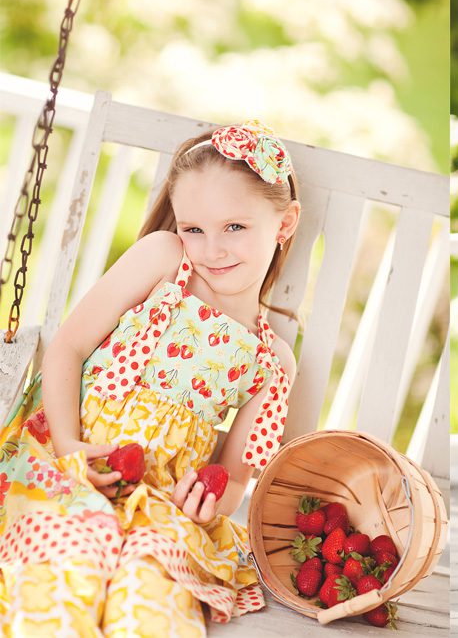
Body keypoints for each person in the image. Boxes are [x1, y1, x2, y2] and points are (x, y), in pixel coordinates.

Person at [0, 119, 300, 635]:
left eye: (236, 227)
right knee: (67, 569)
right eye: (194, 228)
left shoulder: (274, 361)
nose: (212, 249)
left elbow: (232, 478)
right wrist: (70, 445)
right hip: (68, 471)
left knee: (151, 594)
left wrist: (207, 509)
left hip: (163, 509)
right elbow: (68, 348)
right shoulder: (163, 260)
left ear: (286, 222)